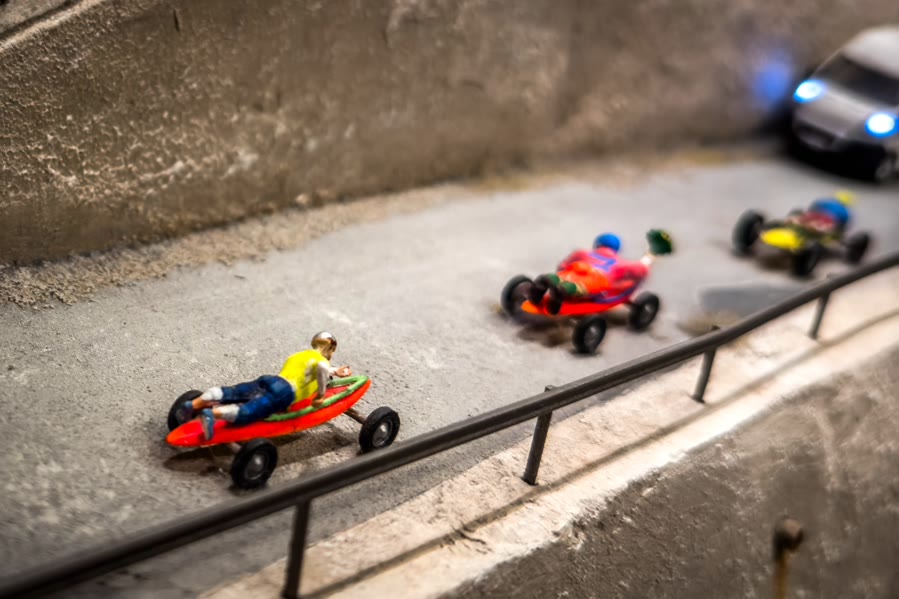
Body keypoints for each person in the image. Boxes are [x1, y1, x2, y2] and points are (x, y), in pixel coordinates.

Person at [178, 331, 352, 441]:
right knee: (251, 410)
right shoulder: (322, 361)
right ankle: (211, 414)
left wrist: (336, 371)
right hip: (285, 392)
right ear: (330, 349)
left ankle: (193, 404)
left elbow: (310, 369)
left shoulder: (299, 355)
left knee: (235, 392)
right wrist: (320, 395)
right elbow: (321, 367)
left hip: (271, 380)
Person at [527, 230, 673, 314]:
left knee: (557, 277)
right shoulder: (621, 264)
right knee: (581, 287)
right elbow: (642, 270)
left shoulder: (582, 253)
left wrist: (563, 271)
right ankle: (563, 292)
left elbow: (562, 266)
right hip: (598, 279)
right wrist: (652, 253)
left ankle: (544, 286)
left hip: (576, 270)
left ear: (597, 244)